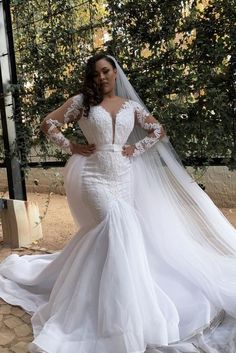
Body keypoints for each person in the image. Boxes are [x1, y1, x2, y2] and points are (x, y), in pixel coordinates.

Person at [0, 53, 236, 353]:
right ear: (92, 76)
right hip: (94, 176)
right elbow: (48, 123)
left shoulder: (131, 107)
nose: (102, 77)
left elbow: (158, 131)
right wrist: (71, 146)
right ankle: (104, 311)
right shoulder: (82, 103)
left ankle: (117, 298)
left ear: (115, 73)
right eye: (97, 73)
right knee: (114, 226)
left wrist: (135, 149)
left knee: (117, 233)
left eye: (107, 71)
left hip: (123, 175)